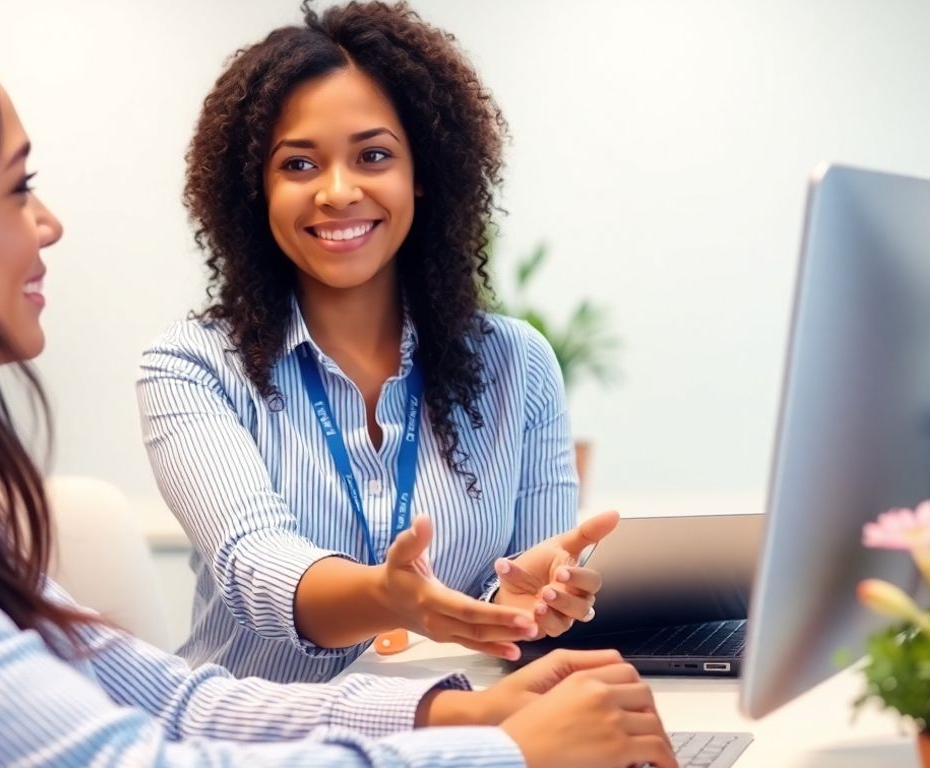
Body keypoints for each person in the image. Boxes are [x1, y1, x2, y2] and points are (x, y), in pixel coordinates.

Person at [0, 10, 677, 768]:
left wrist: (455, 711)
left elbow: (166, 700)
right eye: (16, 187)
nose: (49, 225)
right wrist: (500, 753)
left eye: (374, 155)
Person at [138, 0, 617, 685]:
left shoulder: (518, 364)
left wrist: (523, 609)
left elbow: (526, 594)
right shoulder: (192, 367)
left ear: (421, 173)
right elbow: (255, 565)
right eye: (298, 164)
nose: (338, 192)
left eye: (373, 155)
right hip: (256, 735)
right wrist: (391, 598)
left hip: (455, 730)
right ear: (256, 189)